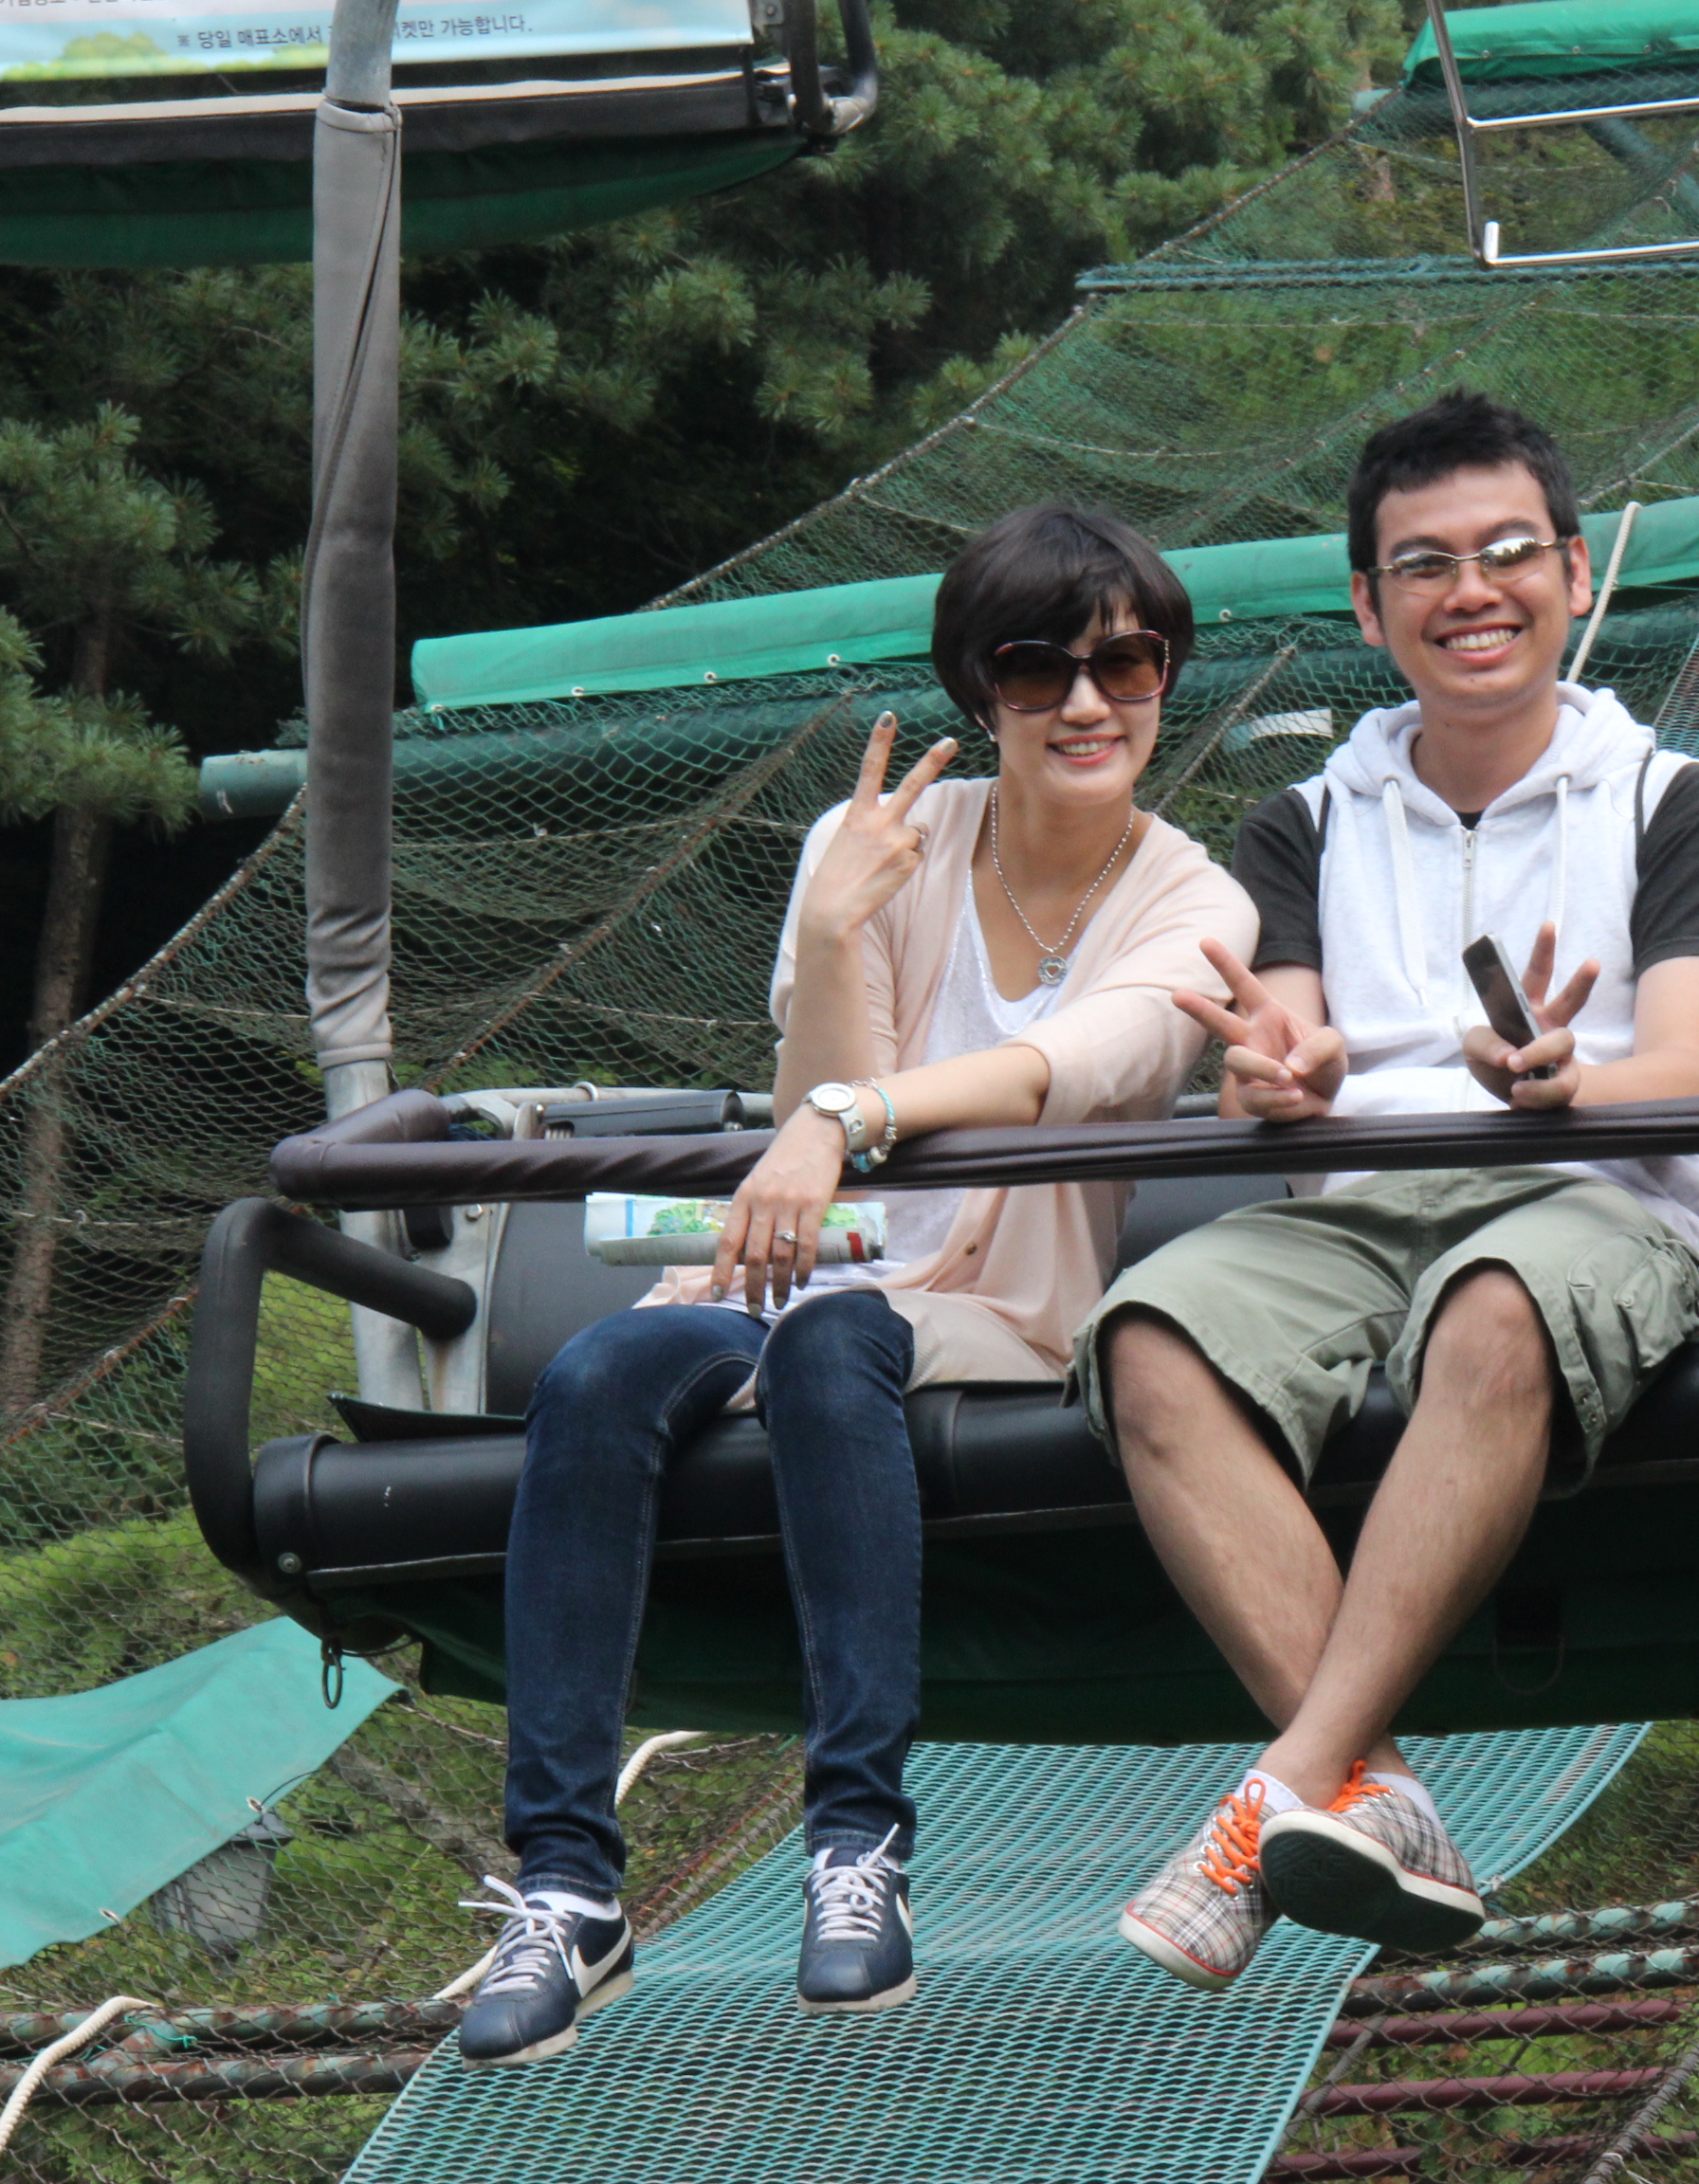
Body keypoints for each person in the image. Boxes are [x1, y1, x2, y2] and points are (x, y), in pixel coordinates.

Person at [458, 506, 1257, 2066]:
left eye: (1126, 664)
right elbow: (815, 1112)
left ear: (1165, 678)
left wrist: (845, 1118)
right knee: (595, 1378)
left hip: (994, 1304)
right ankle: (566, 1881)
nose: (1085, 703)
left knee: (837, 1338)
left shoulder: (1197, 902)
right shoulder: (876, 843)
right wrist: (832, 932)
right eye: (1037, 668)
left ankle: (857, 1843)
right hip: (796, 1265)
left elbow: (1078, 1062)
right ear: (980, 687)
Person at [1076, 390, 1699, 1993]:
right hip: (1354, 1207)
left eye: (1509, 551)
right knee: (1150, 1336)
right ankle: (1370, 1788)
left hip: (1586, 1192)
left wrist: (1565, 1083)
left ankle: (1274, 1794)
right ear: (1367, 602)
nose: (1473, 591)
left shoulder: (1673, 802)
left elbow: (1688, 1066)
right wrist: (1280, 1077)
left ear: (1576, 573)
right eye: (1426, 564)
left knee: (1497, 1305)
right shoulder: (1303, 823)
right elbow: (1284, 1045)